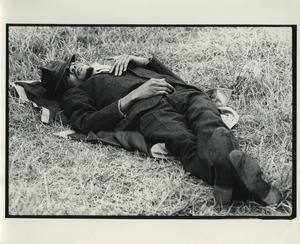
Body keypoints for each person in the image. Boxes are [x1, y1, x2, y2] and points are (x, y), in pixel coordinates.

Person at [40, 54, 281, 206]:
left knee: (210, 124)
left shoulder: (113, 63)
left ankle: (228, 176)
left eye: (72, 63)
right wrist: (134, 95)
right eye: (68, 73)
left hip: (181, 92)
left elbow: (175, 78)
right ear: (64, 87)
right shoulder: (75, 94)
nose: (74, 67)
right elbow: (86, 123)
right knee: (184, 143)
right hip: (148, 109)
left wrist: (143, 61)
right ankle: (250, 189)